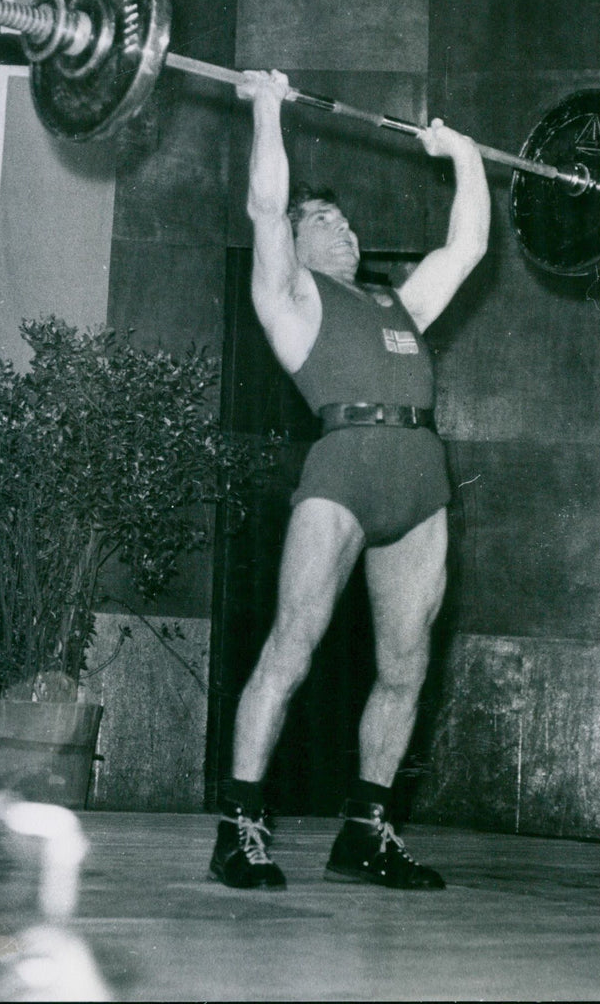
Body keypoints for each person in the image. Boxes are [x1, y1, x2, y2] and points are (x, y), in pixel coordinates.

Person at [209, 69, 490, 891]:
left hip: (418, 482)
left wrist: (463, 156)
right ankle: (240, 829)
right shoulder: (290, 299)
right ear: (296, 245)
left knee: (406, 668)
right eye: (324, 220)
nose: (345, 230)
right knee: (290, 648)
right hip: (341, 472)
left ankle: (365, 831)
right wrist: (267, 110)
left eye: (346, 219)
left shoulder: (398, 306)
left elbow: (465, 247)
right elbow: (266, 207)